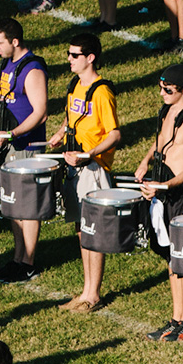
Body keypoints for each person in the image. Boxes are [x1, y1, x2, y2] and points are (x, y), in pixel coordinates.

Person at [134, 65, 183, 343]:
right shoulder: (167, 110)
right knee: (170, 257)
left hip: (180, 193)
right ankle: (176, 317)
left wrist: (166, 186)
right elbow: (161, 143)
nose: (162, 93)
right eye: (161, 88)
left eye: (169, 90)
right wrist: (144, 163)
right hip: (162, 189)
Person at [53, 34, 123, 315]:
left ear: (90, 57)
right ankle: (86, 290)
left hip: (92, 168)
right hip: (76, 165)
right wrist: (61, 132)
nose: (69, 59)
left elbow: (115, 133)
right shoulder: (75, 85)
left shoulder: (102, 91)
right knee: (82, 231)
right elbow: (73, 117)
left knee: (91, 232)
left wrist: (92, 154)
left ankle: (93, 294)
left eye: (74, 55)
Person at [0, 18, 48, 272]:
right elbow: (6, 98)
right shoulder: (7, 64)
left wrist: (12, 134)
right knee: (12, 203)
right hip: (9, 143)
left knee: (26, 205)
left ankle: (28, 261)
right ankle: (18, 257)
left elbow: (40, 112)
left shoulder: (32, 70)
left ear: (15, 41)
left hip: (26, 145)